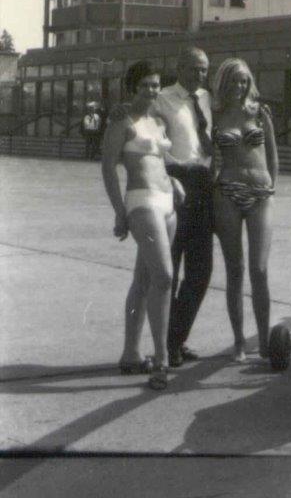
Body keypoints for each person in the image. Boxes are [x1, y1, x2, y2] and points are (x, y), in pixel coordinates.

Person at [101, 61, 184, 390]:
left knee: (144, 279)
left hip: (167, 203)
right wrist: (119, 212)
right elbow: (108, 167)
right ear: (132, 87)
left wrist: (174, 181)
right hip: (142, 201)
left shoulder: (158, 121)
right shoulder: (121, 121)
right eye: (145, 85)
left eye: (155, 84)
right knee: (164, 277)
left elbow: (160, 160)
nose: (151, 90)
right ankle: (161, 359)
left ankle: (131, 354)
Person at [212, 58, 278, 361]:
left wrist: (272, 186)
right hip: (227, 192)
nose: (239, 86)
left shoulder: (260, 113)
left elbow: (272, 155)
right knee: (235, 270)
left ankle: (264, 341)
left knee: (259, 269)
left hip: (261, 193)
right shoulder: (215, 115)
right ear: (224, 83)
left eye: (244, 81)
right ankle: (239, 341)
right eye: (234, 81)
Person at [157, 47, 214, 368]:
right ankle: (169, 344)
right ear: (179, 68)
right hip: (175, 184)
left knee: (201, 271)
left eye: (204, 69)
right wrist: (178, 169)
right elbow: (154, 145)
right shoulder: (162, 99)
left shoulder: (207, 99)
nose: (199, 75)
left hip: (204, 187)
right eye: (194, 68)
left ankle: (175, 338)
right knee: (171, 269)